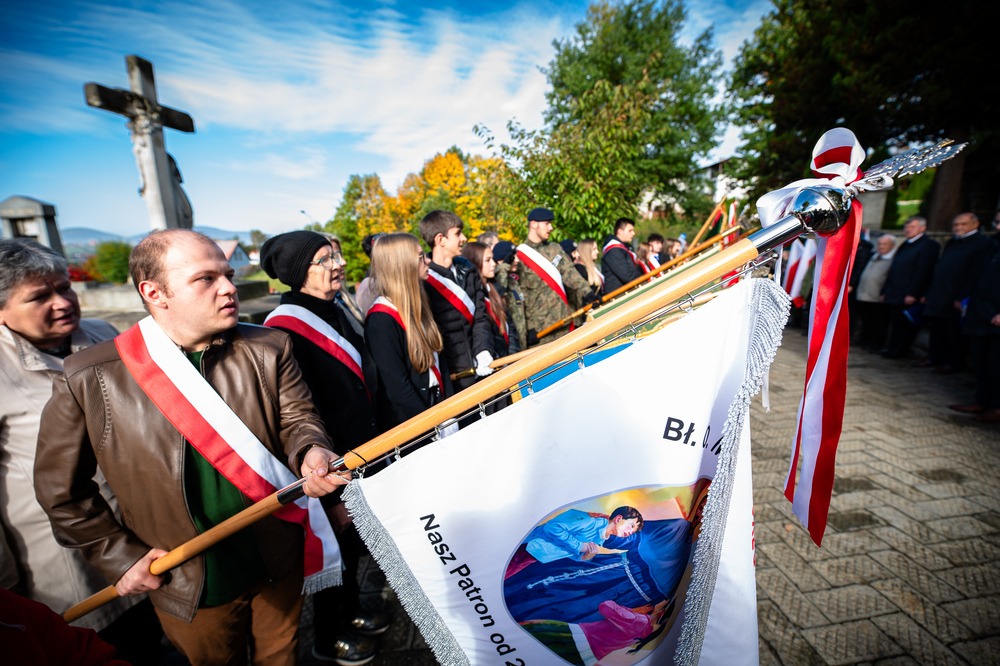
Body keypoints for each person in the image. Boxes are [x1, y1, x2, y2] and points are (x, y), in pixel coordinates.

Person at [34, 229, 348, 666]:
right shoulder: (90, 377)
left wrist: (312, 450)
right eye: (206, 279)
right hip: (188, 579)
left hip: (278, 552)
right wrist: (119, 557)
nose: (229, 288)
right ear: (154, 292)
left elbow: (299, 420)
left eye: (229, 274)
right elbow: (62, 494)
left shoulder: (269, 346)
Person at [0, 239, 160, 664]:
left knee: (149, 639)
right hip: (59, 553)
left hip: (137, 529)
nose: (62, 302)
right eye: (39, 296)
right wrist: (6, 586)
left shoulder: (104, 335)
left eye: (65, 287)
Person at [259, 231, 387, 664]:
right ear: (299, 273)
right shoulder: (284, 331)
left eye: (335, 254)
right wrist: (329, 494)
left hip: (356, 456)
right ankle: (328, 637)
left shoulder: (332, 309)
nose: (339, 263)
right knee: (334, 556)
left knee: (351, 552)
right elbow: (301, 416)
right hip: (327, 469)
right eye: (324, 258)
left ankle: (351, 614)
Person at [365, 233, 454, 430]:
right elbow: (398, 387)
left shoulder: (419, 304)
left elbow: (441, 364)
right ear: (403, 264)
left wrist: (451, 409)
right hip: (415, 424)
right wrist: (432, 426)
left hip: (439, 408)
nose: (428, 260)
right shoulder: (381, 319)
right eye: (421, 256)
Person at [418, 211, 494, 393]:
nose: (464, 238)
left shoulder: (468, 268)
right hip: (454, 377)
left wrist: (483, 350)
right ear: (441, 239)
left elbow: (480, 316)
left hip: (484, 366)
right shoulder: (424, 279)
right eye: (458, 233)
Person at [919, 213, 995, 372]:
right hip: (940, 293)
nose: (958, 227)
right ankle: (936, 357)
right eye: (956, 224)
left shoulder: (982, 243)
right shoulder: (952, 242)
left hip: (957, 296)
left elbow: (975, 272)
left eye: (963, 224)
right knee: (937, 328)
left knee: (953, 332)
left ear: (975, 224)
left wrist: (963, 296)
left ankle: (953, 362)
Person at [518, 208, 596, 346]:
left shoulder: (554, 248)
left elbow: (570, 274)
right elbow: (521, 296)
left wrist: (588, 293)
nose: (551, 227)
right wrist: (528, 329)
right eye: (547, 223)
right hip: (541, 331)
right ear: (534, 224)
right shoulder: (520, 256)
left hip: (565, 322)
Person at [504, 507, 643, 580]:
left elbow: (572, 555)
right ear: (619, 518)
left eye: (634, 531)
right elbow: (552, 528)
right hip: (526, 548)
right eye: (631, 526)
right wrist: (579, 546)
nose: (630, 532)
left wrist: (587, 556)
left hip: (533, 557)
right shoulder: (590, 520)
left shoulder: (600, 539)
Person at [950, 251, 1000, 422]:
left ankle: (996, 407)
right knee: (980, 360)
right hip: (981, 314)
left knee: (996, 365)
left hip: (997, 319)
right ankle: (982, 401)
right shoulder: (992, 248)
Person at [879, 216, 939, 358]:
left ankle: (900, 350)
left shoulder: (928, 245)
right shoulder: (905, 244)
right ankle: (891, 347)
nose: (908, 229)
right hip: (894, 291)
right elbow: (893, 269)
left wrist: (913, 293)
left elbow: (923, 271)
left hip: (908, 293)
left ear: (923, 228)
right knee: (895, 322)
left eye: (912, 227)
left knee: (905, 324)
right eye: (906, 226)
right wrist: (885, 290)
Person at [462, 241, 520, 360]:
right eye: (488, 260)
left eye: (493, 259)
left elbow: (510, 326)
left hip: (509, 360)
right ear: (475, 262)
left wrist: (512, 356)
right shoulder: (473, 297)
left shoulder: (494, 289)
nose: (493, 264)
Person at [854, 234, 896, 351]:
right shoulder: (873, 256)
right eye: (880, 244)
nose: (881, 246)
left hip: (877, 296)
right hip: (864, 294)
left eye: (884, 244)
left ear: (892, 245)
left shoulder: (893, 259)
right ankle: (864, 341)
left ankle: (876, 344)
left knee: (878, 323)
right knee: (865, 320)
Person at [321, 233, 365, 336]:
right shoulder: (325, 307)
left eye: (338, 255)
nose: (343, 262)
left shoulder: (343, 296)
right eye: (331, 258)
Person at [492, 241, 528, 352]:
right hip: (509, 346)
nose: (517, 260)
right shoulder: (496, 281)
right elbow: (499, 291)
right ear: (501, 260)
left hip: (521, 342)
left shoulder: (512, 281)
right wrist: (503, 267)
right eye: (512, 257)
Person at [601, 218, 645, 293]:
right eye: (630, 231)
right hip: (617, 296)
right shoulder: (614, 251)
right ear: (620, 231)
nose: (633, 233)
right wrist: (643, 281)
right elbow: (627, 276)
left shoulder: (623, 249)